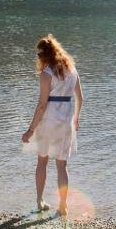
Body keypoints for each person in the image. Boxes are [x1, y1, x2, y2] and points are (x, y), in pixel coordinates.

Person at [21, 34, 83, 216]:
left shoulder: (47, 74)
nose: (38, 59)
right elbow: (81, 98)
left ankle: (40, 201)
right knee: (62, 165)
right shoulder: (72, 71)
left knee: (42, 162)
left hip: (48, 120)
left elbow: (42, 105)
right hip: (66, 121)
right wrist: (76, 118)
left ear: (45, 55)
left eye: (39, 55)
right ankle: (63, 206)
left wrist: (30, 130)